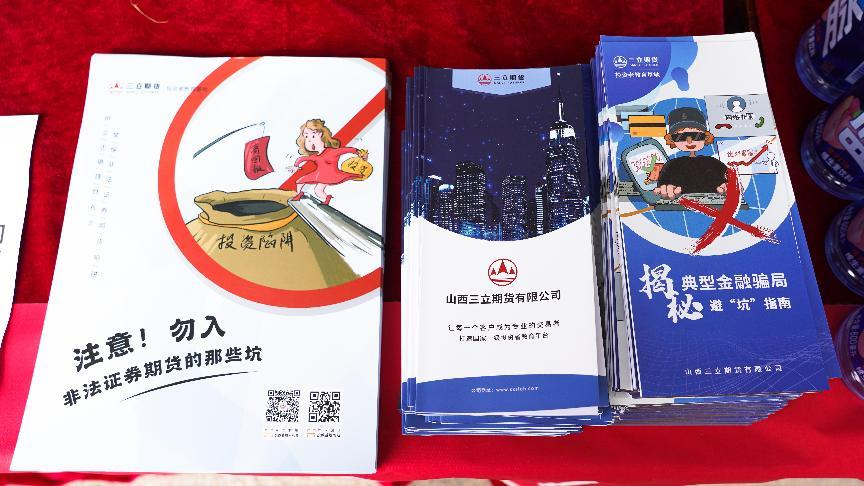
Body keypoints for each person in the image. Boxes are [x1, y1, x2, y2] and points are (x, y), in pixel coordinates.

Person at [280, 119, 368, 205]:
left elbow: (346, 150)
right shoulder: (315, 156)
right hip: (318, 175)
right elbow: (302, 159)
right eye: (306, 137)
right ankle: (318, 197)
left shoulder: (332, 152)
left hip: (331, 175)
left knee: (315, 189)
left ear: (320, 134)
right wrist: (296, 166)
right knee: (309, 186)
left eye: (313, 136)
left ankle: (322, 198)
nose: (309, 140)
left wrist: (359, 152)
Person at [653, 107, 728, 200]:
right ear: (672, 139)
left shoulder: (714, 163)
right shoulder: (671, 166)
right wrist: (665, 190)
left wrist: (727, 186)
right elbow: (662, 186)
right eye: (681, 137)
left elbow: (728, 181)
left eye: (696, 135)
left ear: (706, 136)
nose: (689, 141)